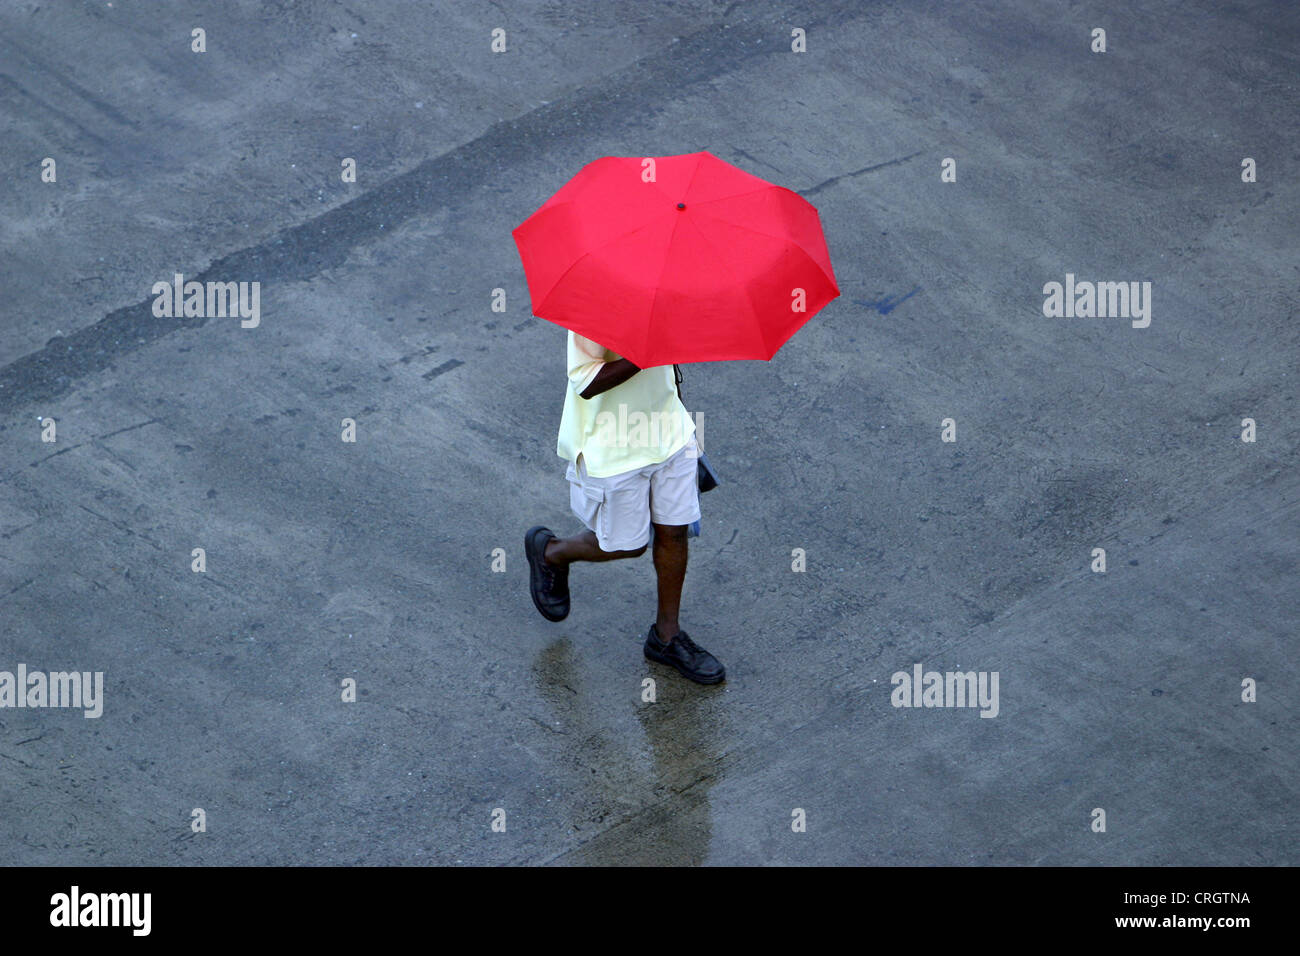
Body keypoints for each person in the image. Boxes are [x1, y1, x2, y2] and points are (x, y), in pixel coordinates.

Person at [525, 331, 725, 684]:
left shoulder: (667, 293)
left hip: (670, 434)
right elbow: (585, 382)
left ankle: (667, 637)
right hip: (614, 445)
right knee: (628, 545)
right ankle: (552, 552)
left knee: (674, 531)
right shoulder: (591, 309)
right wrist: (645, 352)